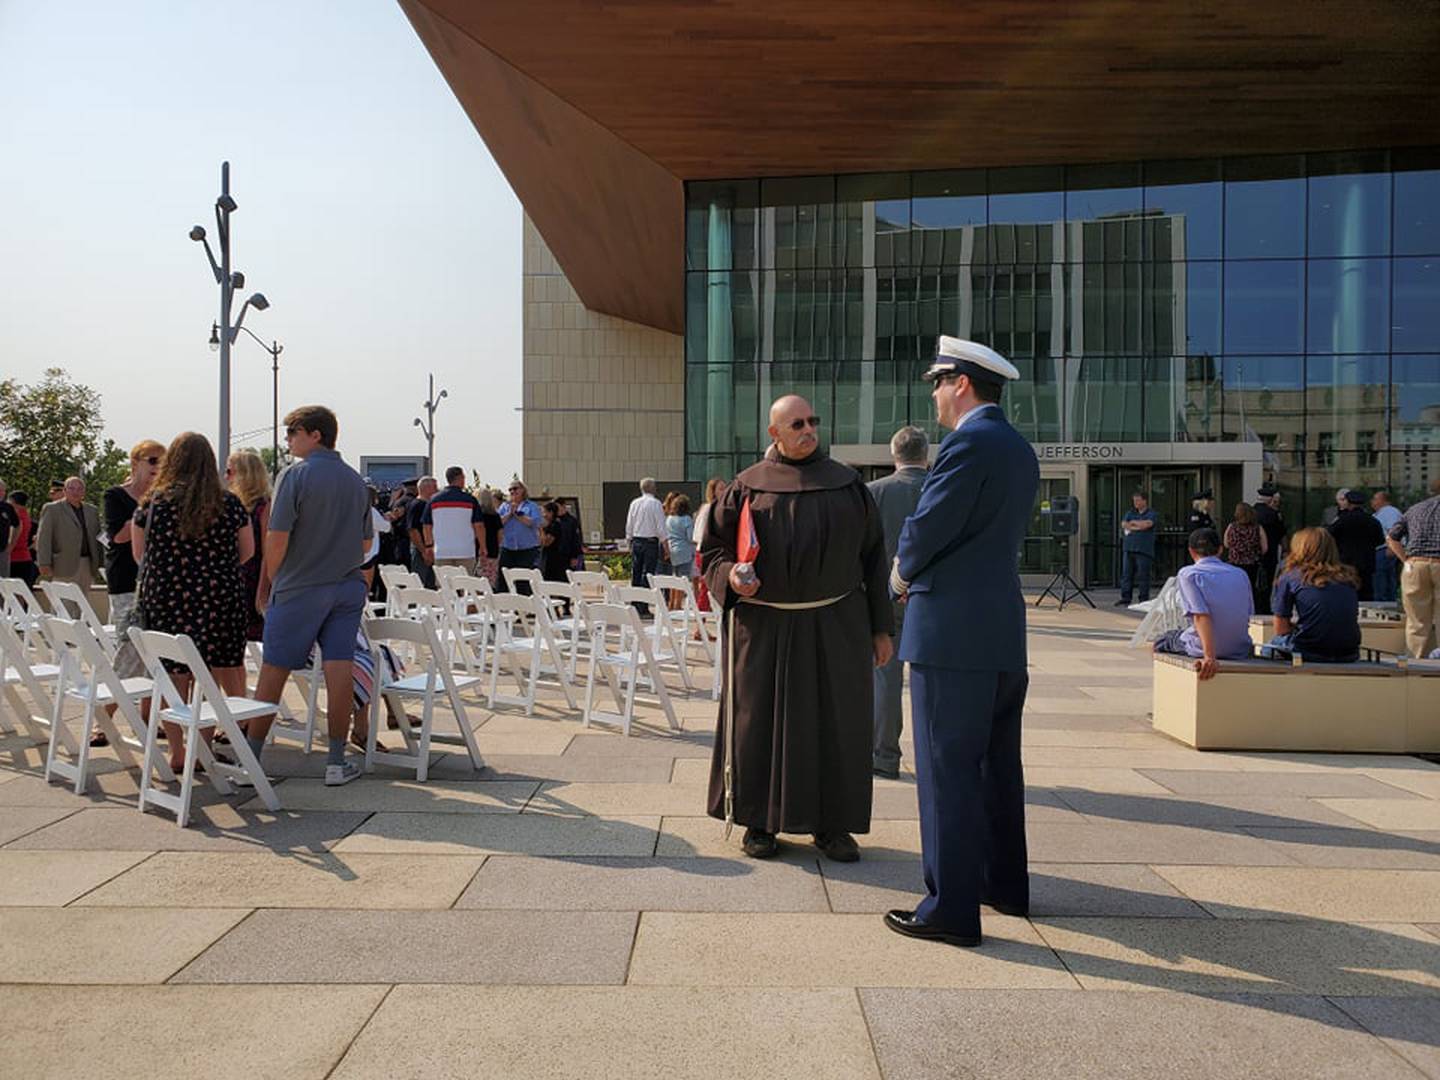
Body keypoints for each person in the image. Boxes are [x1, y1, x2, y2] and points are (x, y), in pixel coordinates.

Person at [883, 338, 1036, 949]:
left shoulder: (968, 443)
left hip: (951, 632)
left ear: (963, 384)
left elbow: (930, 527)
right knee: (998, 766)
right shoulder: (1017, 447)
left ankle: (950, 907)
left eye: (940, 383)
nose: (935, 395)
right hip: (998, 629)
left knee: (946, 769)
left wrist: (897, 576)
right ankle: (1003, 883)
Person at [701, 393, 891, 864]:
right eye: (797, 424)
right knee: (757, 722)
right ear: (775, 434)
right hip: (763, 624)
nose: (808, 429)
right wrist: (732, 578)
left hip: (836, 624)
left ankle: (832, 826)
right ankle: (759, 822)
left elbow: (873, 560)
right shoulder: (746, 487)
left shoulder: (849, 486)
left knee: (836, 723)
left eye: (812, 421)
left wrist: (881, 629)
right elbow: (713, 553)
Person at [243, 405, 373, 786]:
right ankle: (336, 760)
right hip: (346, 586)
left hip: (301, 585)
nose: (288, 439)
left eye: (292, 431)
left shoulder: (295, 476)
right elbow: (366, 542)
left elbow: (277, 538)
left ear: (315, 434)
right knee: (339, 669)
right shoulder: (354, 481)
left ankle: (252, 758)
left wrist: (268, 584)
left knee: (275, 669)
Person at [133, 433, 254, 772]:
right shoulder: (230, 504)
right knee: (209, 677)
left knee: (173, 676)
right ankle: (202, 746)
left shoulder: (152, 504)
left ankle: (177, 751)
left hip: (167, 598)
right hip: (219, 597)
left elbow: (140, 554)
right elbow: (247, 552)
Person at [867, 425, 928, 781]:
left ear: (894, 455)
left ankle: (884, 756)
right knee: (935, 685)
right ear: (926, 454)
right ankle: (938, 759)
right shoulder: (942, 490)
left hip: (883, 601)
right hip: (934, 601)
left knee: (885, 681)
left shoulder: (874, 492)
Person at [1152, 527, 1255, 677]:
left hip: (1203, 647)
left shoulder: (1189, 574)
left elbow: (1200, 616)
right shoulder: (1241, 574)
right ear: (1220, 550)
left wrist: (1209, 656)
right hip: (1239, 648)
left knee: (1161, 641)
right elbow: (1247, 613)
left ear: (1191, 551)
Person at [1268, 527, 1361, 663]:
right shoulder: (1348, 578)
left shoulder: (1291, 577)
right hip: (1349, 652)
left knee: (1270, 646)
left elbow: (1280, 628)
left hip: (1308, 651)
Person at [103, 441, 166, 633]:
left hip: (158, 580)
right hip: (126, 578)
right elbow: (118, 537)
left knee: (158, 644)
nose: (158, 467)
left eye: (163, 462)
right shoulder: (115, 495)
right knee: (129, 643)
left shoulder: (164, 498)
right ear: (135, 463)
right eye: (153, 461)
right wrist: (143, 514)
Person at [1387, 476, 1440, 658]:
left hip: (1415, 564)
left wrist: (1405, 560)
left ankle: (1415, 663)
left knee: (1416, 621)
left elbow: (1392, 537)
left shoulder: (1416, 508)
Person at [227, 448, 271, 646]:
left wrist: (262, 591)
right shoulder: (233, 505)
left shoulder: (264, 507)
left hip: (253, 578)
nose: (226, 477)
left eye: (230, 472)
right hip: (233, 578)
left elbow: (267, 553)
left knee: (254, 639)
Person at [35, 476, 102, 596]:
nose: (76, 492)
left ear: (84, 492)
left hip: (87, 565)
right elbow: (43, 538)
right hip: (63, 566)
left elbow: (98, 537)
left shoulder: (92, 510)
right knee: (63, 606)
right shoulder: (52, 509)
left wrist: (101, 562)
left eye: (79, 489)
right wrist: (44, 563)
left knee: (84, 607)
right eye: (71, 488)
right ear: (64, 491)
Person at [422, 466, 483, 576]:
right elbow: (478, 526)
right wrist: (483, 546)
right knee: (466, 585)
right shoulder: (470, 500)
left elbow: (427, 526)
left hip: (442, 551)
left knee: (445, 586)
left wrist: (429, 546)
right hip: (466, 551)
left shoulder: (434, 500)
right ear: (460, 478)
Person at [1327, 489, 1384, 601]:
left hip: (1346, 562)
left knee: (1346, 592)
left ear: (1348, 503)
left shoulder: (1342, 520)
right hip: (1367, 563)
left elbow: (1329, 536)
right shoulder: (1373, 521)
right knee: (1366, 593)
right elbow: (1380, 540)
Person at [626, 478, 667, 610]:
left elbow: (629, 524)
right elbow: (661, 527)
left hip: (637, 541)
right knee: (647, 573)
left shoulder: (634, 503)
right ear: (653, 488)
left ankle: (634, 603)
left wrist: (629, 541)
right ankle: (643, 606)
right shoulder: (656, 504)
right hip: (650, 542)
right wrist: (666, 546)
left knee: (636, 573)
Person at [496, 478, 542, 594]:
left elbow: (534, 523)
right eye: (510, 489)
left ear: (523, 490)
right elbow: (497, 523)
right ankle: (504, 607)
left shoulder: (531, 506)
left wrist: (518, 515)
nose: (512, 491)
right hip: (508, 548)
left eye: (515, 488)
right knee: (504, 580)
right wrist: (509, 514)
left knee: (524, 582)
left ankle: (525, 608)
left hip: (527, 550)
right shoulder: (504, 507)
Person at [1223, 501, 1268, 613]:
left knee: (1235, 589)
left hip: (1234, 563)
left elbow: (1226, 544)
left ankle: (1236, 609)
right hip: (1251, 564)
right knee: (1251, 588)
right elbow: (1265, 548)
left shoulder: (1231, 527)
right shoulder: (1258, 528)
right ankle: (1250, 609)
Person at [1116, 491, 1158, 605]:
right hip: (1128, 548)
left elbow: (1148, 524)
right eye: (1134, 500)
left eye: (1138, 500)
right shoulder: (1130, 512)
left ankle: (1143, 599)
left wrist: (1134, 524)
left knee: (1143, 575)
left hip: (1143, 549)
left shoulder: (1151, 513)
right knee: (1126, 574)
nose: (1136, 503)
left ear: (1144, 501)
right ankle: (1125, 598)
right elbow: (1124, 524)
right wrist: (1138, 526)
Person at [1252, 483, 1286, 615]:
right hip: (1269, 553)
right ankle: (1264, 608)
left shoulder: (1251, 512)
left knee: (1253, 583)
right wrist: (1285, 550)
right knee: (1266, 583)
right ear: (1270, 499)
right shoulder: (1273, 514)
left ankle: (1255, 607)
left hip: (1251, 555)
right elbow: (1281, 533)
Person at [693, 477, 725, 612]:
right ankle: (700, 626)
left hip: (711, 552)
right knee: (705, 588)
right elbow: (698, 535)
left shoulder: (716, 508)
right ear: (713, 492)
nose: (724, 491)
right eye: (721, 488)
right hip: (706, 553)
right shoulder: (708, 509)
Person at [664, 493, 697, 609]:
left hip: (673, 552)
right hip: (684, 552)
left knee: (675, 579)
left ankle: (671, 604)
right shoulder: (687, 519)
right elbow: (690, 537)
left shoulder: (669, 519)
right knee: (683, 580)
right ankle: (678, 605)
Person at [1371, 490, 1404, 603]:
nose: (1372, 502)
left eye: (1375, 498)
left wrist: (1391, 548)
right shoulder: (1381, 513)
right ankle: (1388, 601)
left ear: (1383, 500)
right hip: (1383, 549)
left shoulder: (1389, 511)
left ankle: (1384, 602)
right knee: (1387, 577)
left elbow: (1393, 530)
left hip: (1385, 549)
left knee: (1381, 578)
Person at [406, 476, 438, 588]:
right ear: (427, 488)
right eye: (435, 487)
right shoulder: (417, 505)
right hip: (421, 550)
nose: (437, 490)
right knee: (419, 583)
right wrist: (424, 551)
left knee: (430, 584)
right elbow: (413, 530)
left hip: (428, 549)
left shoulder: (427, 505)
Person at [362, 484, 392, 590]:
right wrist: (387, 518)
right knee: (366, 588)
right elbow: (386, 528)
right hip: (368, 555)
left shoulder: (354, 509)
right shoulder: (371, 511)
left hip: (353, 554)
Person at [7, 491, 37, 586]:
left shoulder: (16, 518)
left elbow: (12, 541)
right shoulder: (26, 516)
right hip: (25, 560)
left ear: (12, 502)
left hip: (14, 561)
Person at [476, 488, 503, 584]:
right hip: (492, 550)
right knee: (490, 579)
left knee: (477, 580)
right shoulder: (496, 516)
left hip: (477, 550)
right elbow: (500, 535)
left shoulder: (476, 515)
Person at [539, 501, 570, 583]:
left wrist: (541, 530)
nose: (543, 515)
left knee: (554, 582)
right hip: (547, 558)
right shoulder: (549, 525)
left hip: (555, 559)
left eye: (545, 512)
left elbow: (547, 542)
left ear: (551, 512)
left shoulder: (555, 525)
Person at [556, 500, 585, 572]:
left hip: (571, 554)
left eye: (558, 507)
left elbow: (576, 539)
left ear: (563, 507)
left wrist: (574, 556)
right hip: (560, 556)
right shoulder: (556, 521)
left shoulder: (572, 521)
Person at [0, 479, 16, 579]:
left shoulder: (7, 508)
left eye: (3, 490)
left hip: (2, 552)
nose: (2, 493)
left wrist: (11, 544)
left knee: (3, 585)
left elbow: (18, 525)